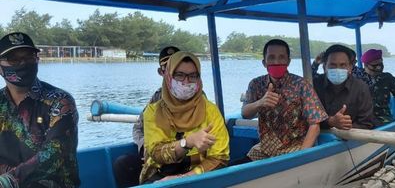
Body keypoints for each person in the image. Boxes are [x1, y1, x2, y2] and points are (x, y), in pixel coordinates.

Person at [0, 32, 79, 187]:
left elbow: (54, 155)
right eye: (14, 59)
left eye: (29, 57)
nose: (23, 63)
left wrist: (7, 182)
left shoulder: (60, 101)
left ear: (37, 59)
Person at [139, 51, 229, 183]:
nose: (186, 82)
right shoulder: (153, 111)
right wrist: (187, 143)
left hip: (199, 176)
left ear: (199, 79)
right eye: (180, 75)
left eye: (192, 76)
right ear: (168, 77)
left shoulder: (211, 111)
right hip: (159, 175)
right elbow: (156, 153)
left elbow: (220, 158)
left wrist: (184, 178)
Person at [241, 39, 328, 161]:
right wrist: (260, 103)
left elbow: (315, 125)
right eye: (271, 57)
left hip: (295, 148)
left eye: (281, 57)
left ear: (288, 61)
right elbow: (245, 113)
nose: (276, 62)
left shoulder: (301, 85)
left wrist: (302, 157)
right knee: (242, 169)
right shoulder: (256, 84)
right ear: (264, 62)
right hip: (265, 150)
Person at [113, 46, 180, 187]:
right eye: (167, 69)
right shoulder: (157, 97)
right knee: (123, 164)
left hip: (182, 157)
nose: (172, 74)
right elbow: (138, 127)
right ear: (160, 72)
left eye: (177, 69)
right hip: (156, 156)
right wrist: (145, 146)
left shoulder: (196, 98)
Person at [313, 44, 374, 130]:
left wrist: (345, 126)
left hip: (349, 140)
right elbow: (308, 118)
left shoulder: (361, 88)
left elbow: (366, 123)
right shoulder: (315, 85)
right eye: (332, 65)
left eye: (343, 65)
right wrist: (330, 122)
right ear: (324, 67)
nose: (338, 69)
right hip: (319, 139)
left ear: (350, 68)